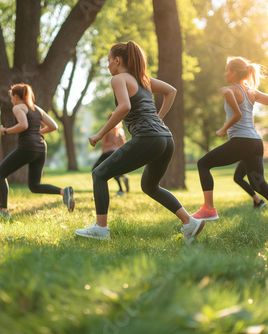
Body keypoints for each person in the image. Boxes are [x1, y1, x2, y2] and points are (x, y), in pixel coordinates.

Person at [75, 40, 204, 243]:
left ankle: (100, 228)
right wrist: (159, 118)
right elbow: (172, 91)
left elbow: (124, 106)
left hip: (149, 137)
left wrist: (100, 134)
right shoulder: (144, 80)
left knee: (99, 174)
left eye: (108, 61)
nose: (108, 65)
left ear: (117, 61)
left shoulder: (119, 79)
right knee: (150, 186)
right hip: (165, 138)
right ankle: (189, 223)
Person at [194, 57, 268, 234]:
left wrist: (223, 129)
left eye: (226, 70)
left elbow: (236, 115)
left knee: (203, 164)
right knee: (259, 184)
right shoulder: (251, 91)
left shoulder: (228, 90)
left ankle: (209, 208)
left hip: (241, 141)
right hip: (255, 142)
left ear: (234, 73)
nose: (224, 73)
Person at [0, 83, 74, 218]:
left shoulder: (18, 107)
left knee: (0, 174)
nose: (11, 100)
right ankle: (64, 192)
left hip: (27, 147)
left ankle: (3, 211)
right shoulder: (36, 108)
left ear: (17, 97)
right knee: (34, 186)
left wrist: (6, 131)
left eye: (12, 97)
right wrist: (38, 132)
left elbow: (23, 125)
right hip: (41, 148)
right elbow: (54, 126)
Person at [91, 113, 129, 197]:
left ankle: (103, 192)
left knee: (95, 169)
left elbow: (104, 144)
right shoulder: (121, 131)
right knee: (114, 170)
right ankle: (122, 179)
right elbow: (124, 144)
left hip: (108, 153)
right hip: (117, 153)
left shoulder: (107, 130)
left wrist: (112, 143)